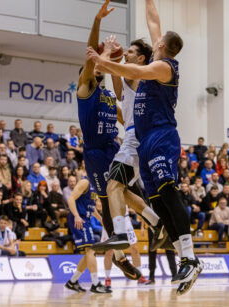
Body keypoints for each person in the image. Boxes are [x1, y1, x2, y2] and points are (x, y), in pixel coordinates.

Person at [86, 0, 201, 294]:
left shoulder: (164, 66)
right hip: (146, 140)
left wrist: (103, 62)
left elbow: (133, 74)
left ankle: (189, 256)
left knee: (168, 191)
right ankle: (181, 255)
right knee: (159, 201)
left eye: (157, 39)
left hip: (161, 136)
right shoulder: (157, 56)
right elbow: (152, 20)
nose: (154, 37)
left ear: (161, 46)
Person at [73, 0, 141, 282]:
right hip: (96, 154)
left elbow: (125, 120)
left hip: (113, 147)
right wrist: (97, 20)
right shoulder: (85, 89)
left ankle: (151, 219)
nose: (96, 69)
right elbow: (91, 58)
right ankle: (123, 257)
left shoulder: (108, 96)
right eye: (93, 68)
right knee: (113, 196)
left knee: (126, 192)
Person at [65, 177, 110, 293]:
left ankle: (73, 281)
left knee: (89, 252)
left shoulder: (96, 185)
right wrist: (76, 215)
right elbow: (71, 198)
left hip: (87, 218)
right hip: (79, 218)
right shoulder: (85, 182)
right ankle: (95, 284)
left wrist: (100, 218)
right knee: (91, 250)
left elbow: (91, 206)